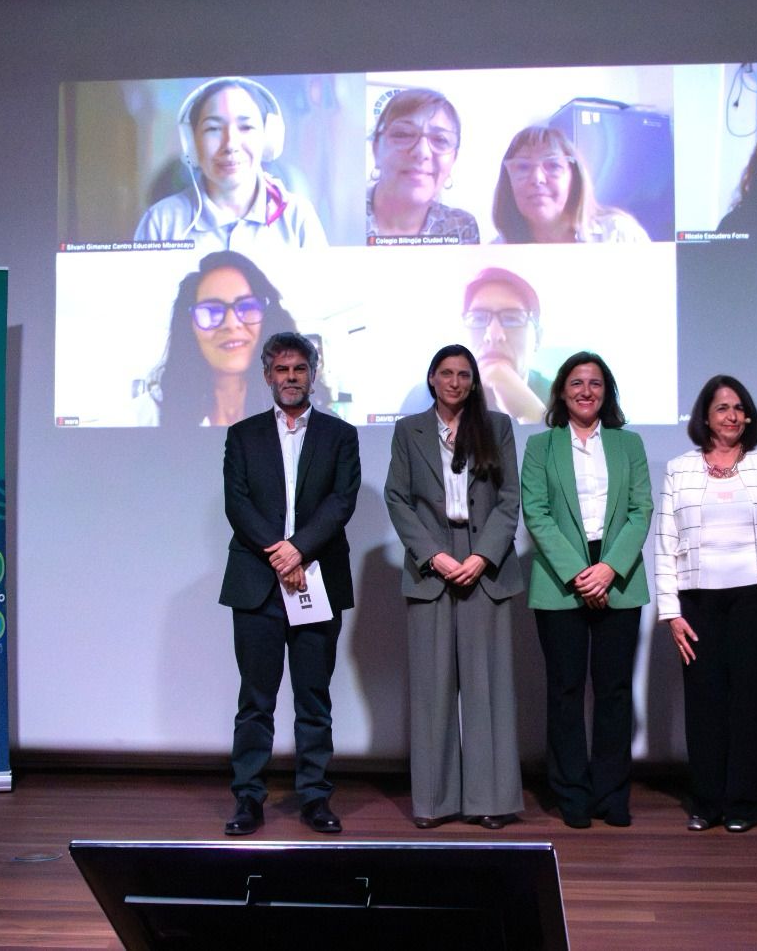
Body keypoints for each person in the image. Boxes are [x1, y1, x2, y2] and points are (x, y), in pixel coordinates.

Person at [221, 331, 360, 837]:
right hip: (257, 584)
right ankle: (248, 799)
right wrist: (280, 553)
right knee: (255, 701)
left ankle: (315, 798)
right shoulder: (242, 435)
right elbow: (238, 504)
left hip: (318, 579)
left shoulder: (340, 435)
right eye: (281, 370)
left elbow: (341, 502)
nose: (291, 377)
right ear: (266, 376)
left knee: (313, 699)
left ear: (313, 375)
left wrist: (299, 549)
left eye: (299, 369)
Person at [385, 344, 524, 829]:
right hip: (432, 562)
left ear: (474, 382)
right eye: (446, 373)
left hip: (485, 560)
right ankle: (435, 802)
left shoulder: (497, 427)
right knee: (433, 690)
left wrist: (483, 556)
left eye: (464, 374)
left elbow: (510, 499)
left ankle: (490, 801)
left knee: (488, 689)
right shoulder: (409, 430)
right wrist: (435, 555)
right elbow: (397, 498)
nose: (455, 382)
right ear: (431, 378)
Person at [520, 352, 652, 828]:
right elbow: (536, 512)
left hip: (619, 575)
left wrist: (608, 568)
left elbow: (641, 509)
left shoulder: (628, 443)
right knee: (566, 690)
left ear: (606, 392)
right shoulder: (540, 446)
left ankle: (612, 795)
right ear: (562, 390)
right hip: (561, 581)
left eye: (595, 383)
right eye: (577, 382)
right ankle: (572, 794)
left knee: (614, 691)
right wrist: (581, 572)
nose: (586, 390)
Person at [655, 375, 757, 833]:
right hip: (698, 602)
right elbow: (666, 541)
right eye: (722, 408)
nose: (731, 415)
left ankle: (743, 803)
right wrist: (671, 611)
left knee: (750, 703)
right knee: (704, 703)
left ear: (747, 417)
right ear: (706, 417)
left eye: (738, 408)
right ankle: (706, 802)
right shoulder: (680, 469)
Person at [134, 77, 327, 253]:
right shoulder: (161, 222)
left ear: (268, 139)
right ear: (191, 143)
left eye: (246, 127)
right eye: (213, 128)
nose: (230, 144)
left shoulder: (297, 218)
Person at [145, 251, 306, 428]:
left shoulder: (308, 414)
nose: (231, 323)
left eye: (246, 307)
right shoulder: (148, 414)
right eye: (211, 310)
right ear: (189, 326)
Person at [400, 267, 549, 423]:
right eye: (478, 319)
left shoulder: (560, 398)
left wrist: (533, 414)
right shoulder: (420, 398)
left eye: (512, 318)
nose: (493, 335)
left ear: (537, 338)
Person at [491, 126, 651, 243]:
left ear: (574, 177)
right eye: (522, 167)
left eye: (553, 165)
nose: (537, 178)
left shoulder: (618, 235)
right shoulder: (498, 252)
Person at [366, 88, 479, 243]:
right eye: (403, 134)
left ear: (454, 158)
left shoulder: (460, 226)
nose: (422, 152)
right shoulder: (340, 219)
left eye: (440, 140)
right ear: (376, 149)